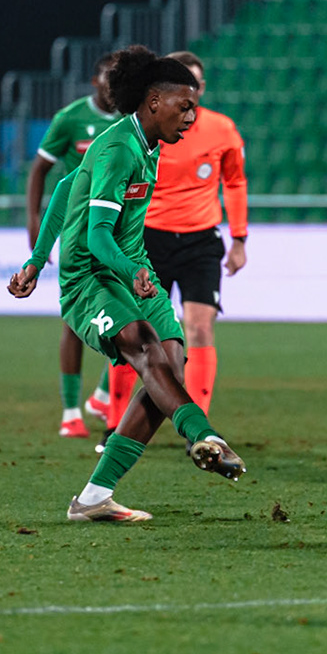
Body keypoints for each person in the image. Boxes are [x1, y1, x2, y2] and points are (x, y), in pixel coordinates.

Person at [9, 46, 246, 522]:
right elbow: (97, 238)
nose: (191, 117)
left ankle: (95, 497)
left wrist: (37, 261)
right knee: (144, 349)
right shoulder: (120, 148)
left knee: (172, 365)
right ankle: (203, 434)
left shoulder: (147, 143)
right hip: (90, 279)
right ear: (154, 101)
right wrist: (43, 261)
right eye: (184, 107)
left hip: (132, 270)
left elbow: (64, 186)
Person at [139, 50, 248, 419]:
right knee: (140, 336)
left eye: (196, 83)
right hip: (148, 239)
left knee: (200, 328)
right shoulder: (143, 129)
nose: (192, 91)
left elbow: (234, 182)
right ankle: (115, 422)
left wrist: (239, 239)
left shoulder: (222, 129)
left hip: (201, 240)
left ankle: (198, 429)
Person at [27, 52, 121, 439]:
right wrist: (34, 223)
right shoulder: (69, 118)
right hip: (78, 227)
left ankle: (102, 394)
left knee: (130, 307)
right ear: (95, 82)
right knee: (74, 320)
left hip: (118, 226)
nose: (115, 89)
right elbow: (40, 171)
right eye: (109, 80)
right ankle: (70, 411)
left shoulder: (132, 120)